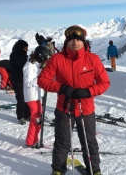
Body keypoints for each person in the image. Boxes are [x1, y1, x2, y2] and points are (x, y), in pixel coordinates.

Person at [38, 25, 110, 175]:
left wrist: (88, 91)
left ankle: (94, 171)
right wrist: (62, 88)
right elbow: (42, 80)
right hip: (64, 108)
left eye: (78, 40)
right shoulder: (57, 59)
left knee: (89, 143)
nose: (75, 43)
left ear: (84, 41)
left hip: (86, 109)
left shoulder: (93, 59)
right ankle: (58, 170)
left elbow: (104, 83)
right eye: (71, 40)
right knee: (62, 142)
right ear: (66, 42)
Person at [23, 46, 51, 148]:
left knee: (39, 118)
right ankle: (30, 141)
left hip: (38, 95)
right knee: (36, 119)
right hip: (32, 96)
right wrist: (41, 78)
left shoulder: (36, 64)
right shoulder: (29, 66)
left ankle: (35, 138)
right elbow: (28, 83)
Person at [10, 40, 31, 125]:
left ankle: (27, 115)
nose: (27, 49)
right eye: (25, 48)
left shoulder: (23, 55)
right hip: (18, 80)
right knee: (21, 98)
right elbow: (23, 65)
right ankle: (21, 116)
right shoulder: (15, 55)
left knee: (27, 97)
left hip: (24, 79)